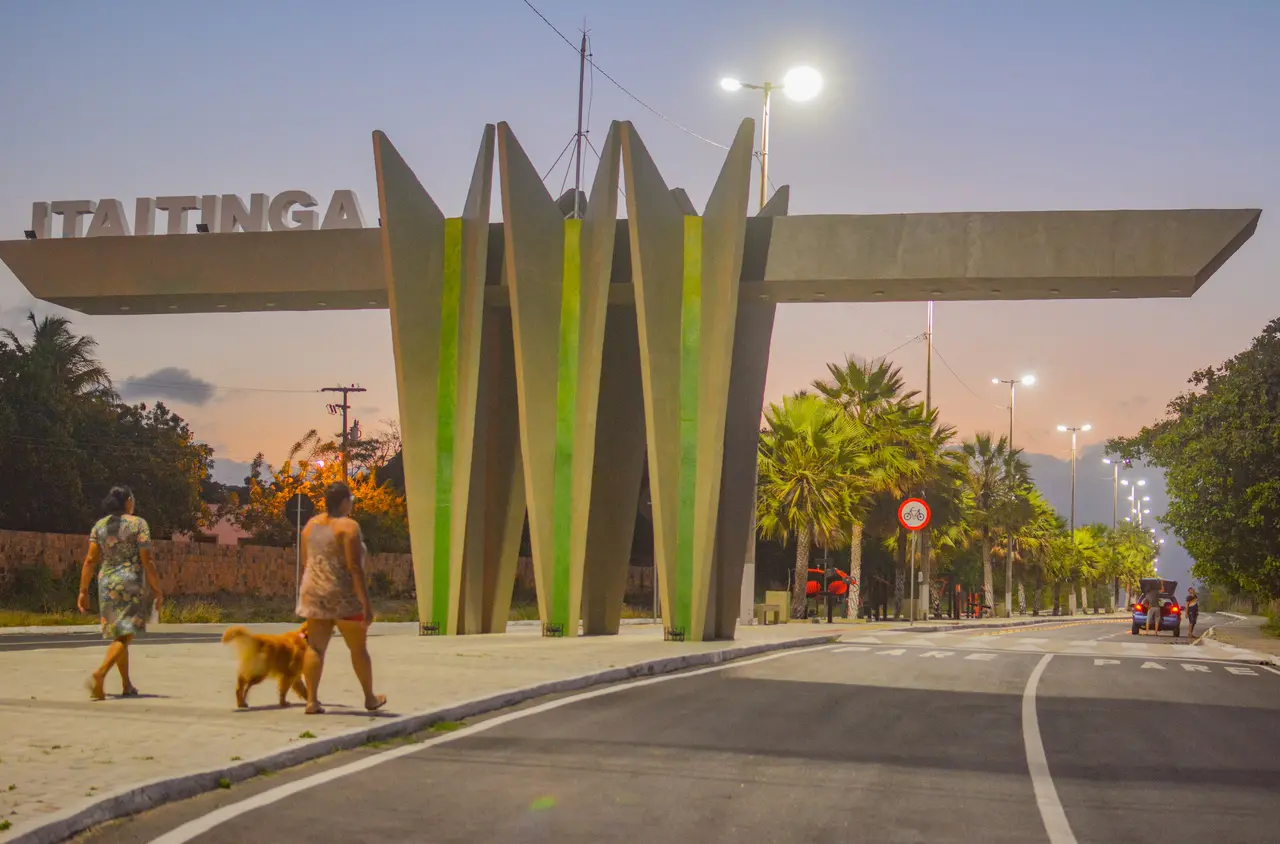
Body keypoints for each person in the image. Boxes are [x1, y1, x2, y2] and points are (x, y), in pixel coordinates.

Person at [296, 482, 387, 715]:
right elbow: (354, 567)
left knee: (315, 648)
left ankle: (312, 701)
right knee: (358, 648)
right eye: (351, 499)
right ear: (345, 501)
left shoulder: (310, 526)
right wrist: (366, 605)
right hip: (343, 595)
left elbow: (306, 562)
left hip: (314, 593)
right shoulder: (349, 527)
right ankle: (369, 697)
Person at [77, 486, 163, 700]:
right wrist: (157, 588)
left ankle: (126, 684)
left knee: (120, 634)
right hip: (130, 583)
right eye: (132, 498)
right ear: (127, 501)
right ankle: (101, 673)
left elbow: (89, 560)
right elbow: (147, 559)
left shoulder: (99, 526)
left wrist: (82, 591)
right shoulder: (138, 524)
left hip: (106, 583)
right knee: (125, 636)